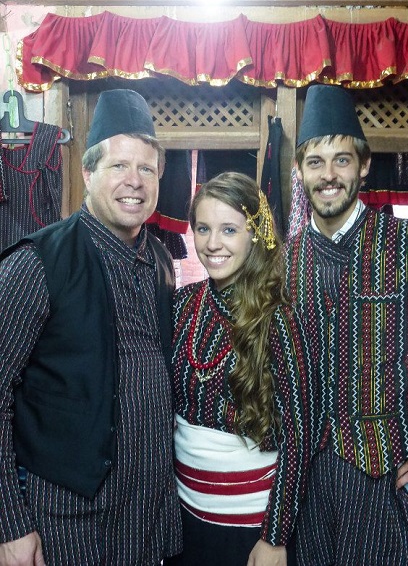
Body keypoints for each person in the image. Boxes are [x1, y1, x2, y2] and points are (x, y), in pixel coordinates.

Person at [0, 89, 182, 566]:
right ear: (87, 173)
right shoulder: (36, 263)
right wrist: (10, 525)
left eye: (146, 168)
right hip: (69, 524)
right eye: (119, 166)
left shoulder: (162, 262)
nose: (134, 181)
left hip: (148, 521)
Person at [285, 83, 408, 565]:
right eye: (316, 162)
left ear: (363, 166)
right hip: (307, 495)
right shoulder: (283, 263)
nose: (329, 174)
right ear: (300, 172)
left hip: (389, 489)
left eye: (342, 160)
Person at [166, 172, 314, 566]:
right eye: (203, 228)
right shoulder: (181, 305)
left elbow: (300, 436)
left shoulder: (278, 318)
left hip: (251, 529)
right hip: (185, 521)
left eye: (229, 230)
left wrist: (275, 537)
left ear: (254, 235)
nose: (212, 244)